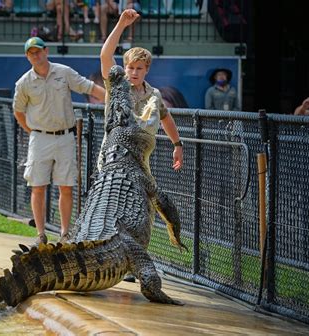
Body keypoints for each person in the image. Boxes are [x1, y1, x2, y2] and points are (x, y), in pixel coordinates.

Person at [100, 9, 183, 281]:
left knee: (143, 214)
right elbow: (105, 56)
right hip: (114, 160)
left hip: (141, 163)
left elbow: (166, 118)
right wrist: (122, 24)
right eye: (130, 67)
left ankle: (133, 265)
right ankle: (109, 259)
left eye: (138, 68)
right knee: (114, 209)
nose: (133, 72)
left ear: (146, 69)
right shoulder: (117, 85)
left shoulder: (154, 94)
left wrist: (177, 144)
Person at [14, 37, 105, 245]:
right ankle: (40, 235)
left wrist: (112, 98)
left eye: (38, 51)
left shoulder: (63, 72)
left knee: (66, 186)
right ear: (27, 56)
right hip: (39, 138)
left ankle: (64, 234)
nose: (35, 55)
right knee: (38, 186)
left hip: (65, 137)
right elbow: (18, 112)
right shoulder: (24, 83)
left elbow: (89, 87)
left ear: (46, 51)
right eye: (31, 53)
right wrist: (34, 132)